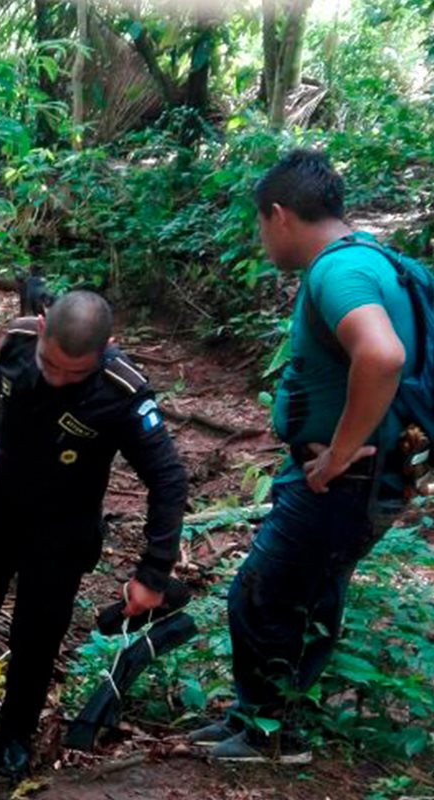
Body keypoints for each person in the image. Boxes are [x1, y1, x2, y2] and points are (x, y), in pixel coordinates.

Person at [0, 291, 189, 778]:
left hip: (62, 531)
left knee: (37, 635)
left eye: (74, 373)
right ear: (42, 327)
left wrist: (153, 572)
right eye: (51, 365)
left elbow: (168, 479)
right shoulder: (19, 343)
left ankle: (15, 734)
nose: (57, 378)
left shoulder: (122, 391)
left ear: (106, 347)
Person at [187, 150, 416, 764]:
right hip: (370, 477)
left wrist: (338, 455)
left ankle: (272, 736)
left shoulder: (338, 272)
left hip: (347, 481)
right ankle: (259, 719)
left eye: (261, 225)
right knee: (306, 595)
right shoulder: (372, 260)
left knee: (264, 593)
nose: (262, 239)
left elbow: (382, 356)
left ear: (279, 215)